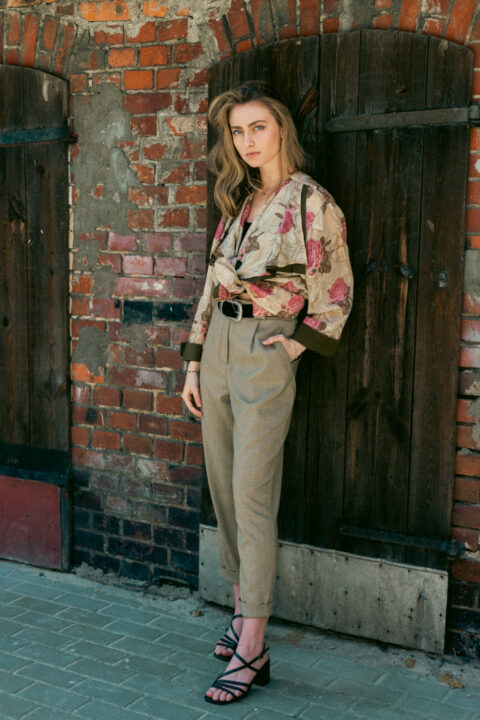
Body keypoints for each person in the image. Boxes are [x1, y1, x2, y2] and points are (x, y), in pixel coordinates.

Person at [181, 80, 354, 705]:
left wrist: (296, 345)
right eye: (238, 131)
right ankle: (239, 613)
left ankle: (253, 645)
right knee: (226, 491)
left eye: (258, 127)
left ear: (281, 128)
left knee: (253, 495)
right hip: (219, 354)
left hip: (264, 349)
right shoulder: (239, 203)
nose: (248, 140)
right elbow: (211, 285)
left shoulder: (311, 202)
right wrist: (194, 364)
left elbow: (336, 287)